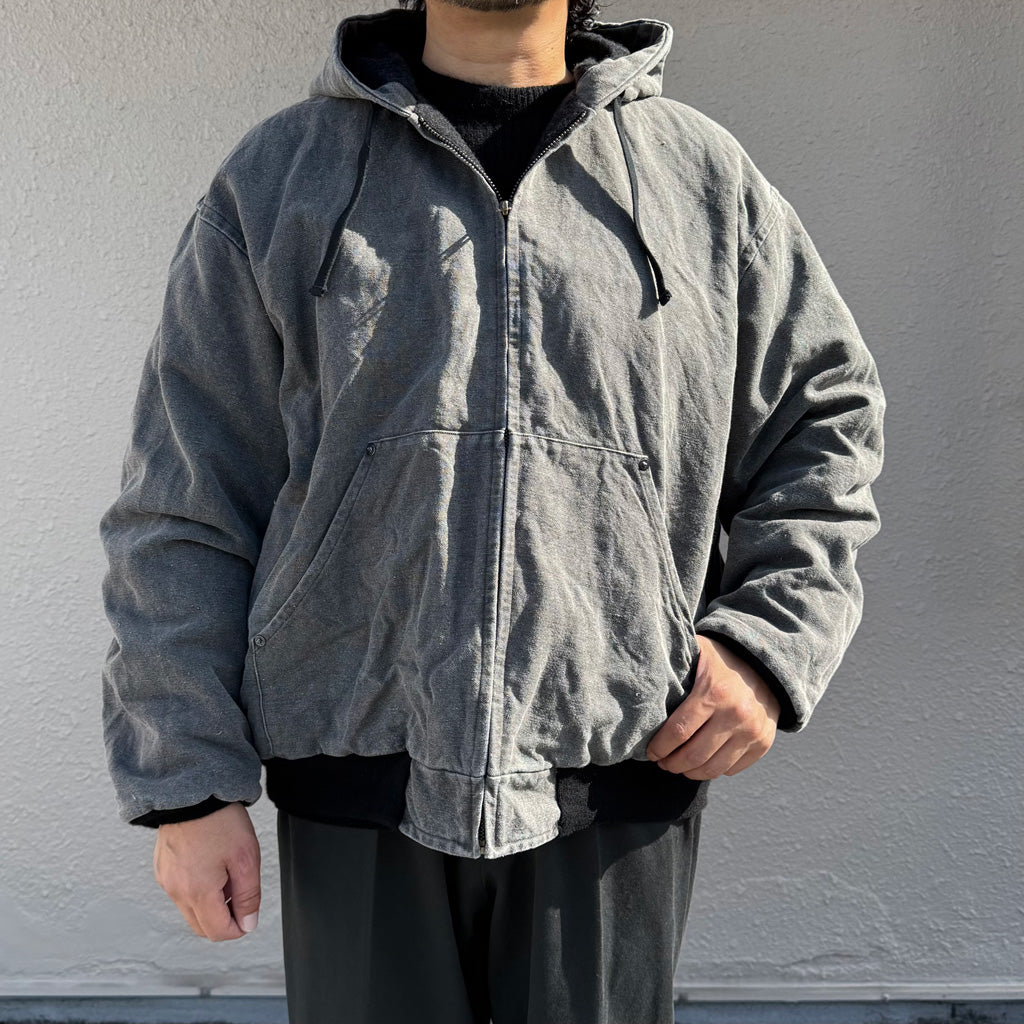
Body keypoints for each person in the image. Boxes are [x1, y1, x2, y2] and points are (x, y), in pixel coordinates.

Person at [98, 0, 886, 1021]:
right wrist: (189, 778)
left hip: (617, 769)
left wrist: (768, 646)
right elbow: (186, 485)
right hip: (353, 778)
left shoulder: (700, 178)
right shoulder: (284, 175)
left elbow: (823, 421)